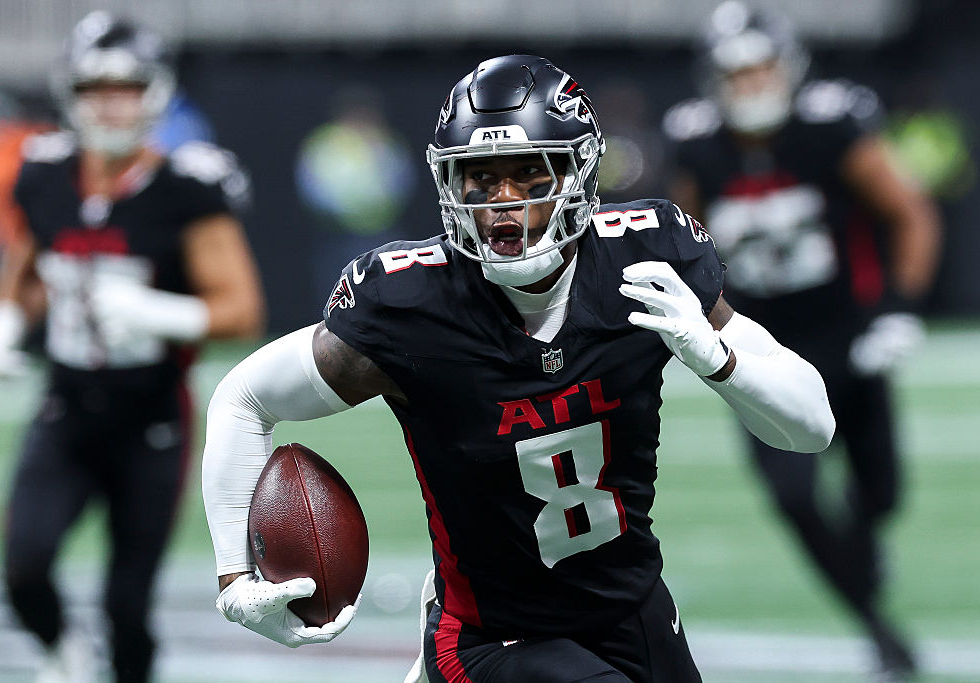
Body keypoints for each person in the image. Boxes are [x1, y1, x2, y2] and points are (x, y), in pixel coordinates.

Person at [202, 54, 835, 682]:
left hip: (631, 610)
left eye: (529, 173)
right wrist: (234, 576)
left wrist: (717, 358)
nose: (502, 201)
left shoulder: (644, 263)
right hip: (491, 636)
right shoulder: (409, 303)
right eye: (480, 177)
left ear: (577, 172)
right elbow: (244, 398)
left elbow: (812, 427)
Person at [0, 11, 264, 682]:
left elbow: (242, 309)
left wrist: (155, 310)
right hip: (67, 405)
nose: (111, 102)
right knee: (23, 566)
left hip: (150, 417)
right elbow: (30, 257)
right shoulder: (44, 173)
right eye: (96, 85)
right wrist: (5, 321)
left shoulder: (185, 187)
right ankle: (63, 652)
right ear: (70, 91)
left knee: (126, 605)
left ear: (154, 91)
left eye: (126, 86)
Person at [661, 2, 942, 677]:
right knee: (793, 497)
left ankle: (869, 544)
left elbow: (912, 214)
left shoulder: (832, 123)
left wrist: (897, 309)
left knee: (881, 494)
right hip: (761, 347)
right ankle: (875, 625)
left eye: (761, 67)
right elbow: (681, 241)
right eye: (736, 72)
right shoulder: (698, 143)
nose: (751, 84)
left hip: (848, 336)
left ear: (788, 67)